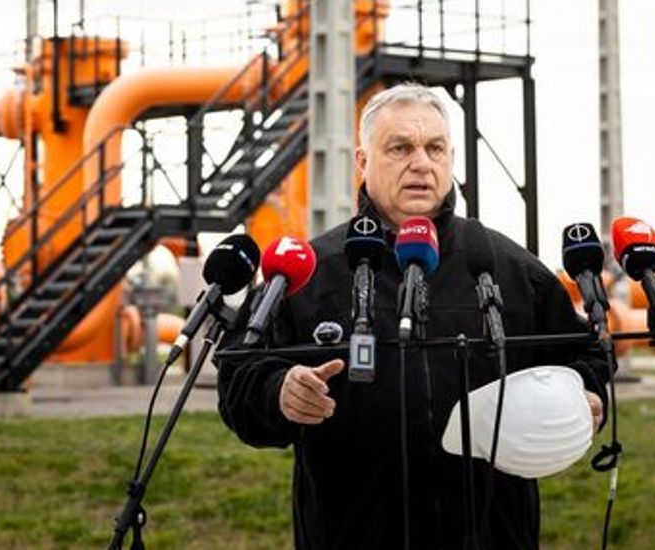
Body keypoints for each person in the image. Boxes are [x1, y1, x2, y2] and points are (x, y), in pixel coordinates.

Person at [217, 82, 610, 549]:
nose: (421, 163)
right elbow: (238, 379)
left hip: (492, 533)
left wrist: (589, 395)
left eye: (435, 148)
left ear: (451, 159)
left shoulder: (509, 267)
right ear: (362, 162)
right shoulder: (309, 272)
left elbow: (584, 358)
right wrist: (278, 392)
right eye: (400, 148)